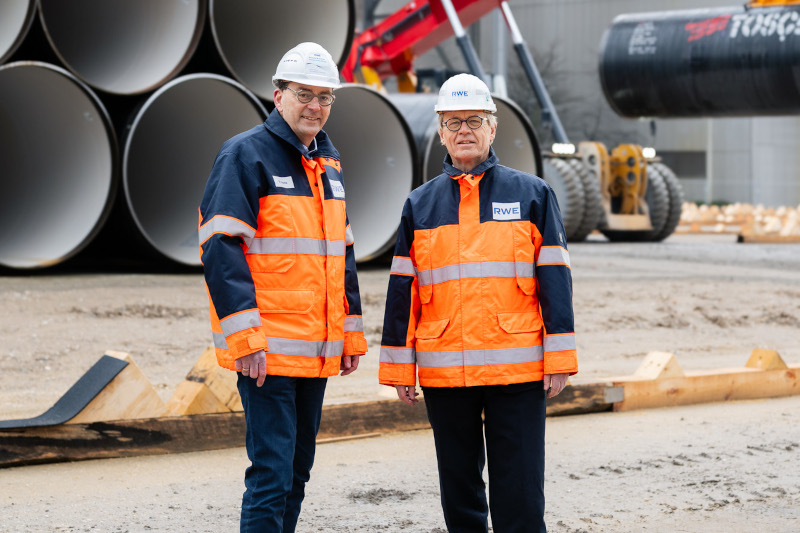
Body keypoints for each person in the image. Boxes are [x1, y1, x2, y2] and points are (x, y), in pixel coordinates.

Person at [378, 73, 578, 532]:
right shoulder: (419, 205)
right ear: (440, 132)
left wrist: (560, 357)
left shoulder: (532, 195)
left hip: (518, 368)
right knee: (459, 489)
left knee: (521, 490)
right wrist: (398, 367)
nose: (463, 131)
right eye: (453, 122)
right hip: (445, 370)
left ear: (493, 128)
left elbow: (556, 281)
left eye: (473, 120)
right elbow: (402, 293)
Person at [198, 42, 368, 533]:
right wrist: (246, 340)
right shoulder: (244, 155)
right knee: (271, 473)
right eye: (303, 94)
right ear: (278, 96)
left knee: (297, 469)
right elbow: (220, 249)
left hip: (314, 349)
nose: (314, 106)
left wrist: (349, 335)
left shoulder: (328, 167)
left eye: (324, 97)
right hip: (267, 352)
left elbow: (342, 255)